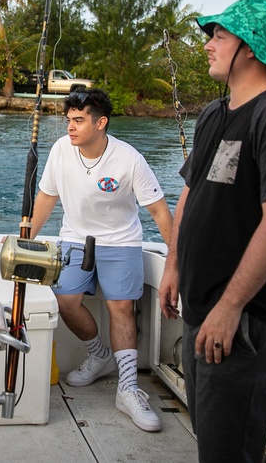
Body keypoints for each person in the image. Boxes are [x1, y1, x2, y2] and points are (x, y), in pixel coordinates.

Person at [159, 0, 266, 462]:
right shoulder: (213, 113)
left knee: (230, 448)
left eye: (219, 36)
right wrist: (172, 265)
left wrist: (231, 306)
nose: (208, 45)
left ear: (249, 49)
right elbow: (191, 193)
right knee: (211, 435)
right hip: (202, 305)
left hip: (244, 317)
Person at [29, 88, 173, 433]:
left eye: (79, 121)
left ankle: (127, 388)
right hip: (75, 239)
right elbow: (46, 198)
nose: (70, 128)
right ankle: (99, 355)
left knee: (120, 308)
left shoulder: (129, 159)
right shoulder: (61, 150)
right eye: (69, 120)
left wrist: (178, 262)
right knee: (65, 301)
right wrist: (25, 239)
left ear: (101, 123)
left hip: (121, 241)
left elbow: (160, 212)